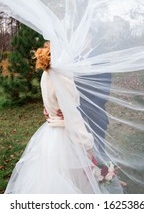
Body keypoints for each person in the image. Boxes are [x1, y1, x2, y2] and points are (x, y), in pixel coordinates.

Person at [4, 42, 123, 194]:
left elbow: (52, 102)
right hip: (67, 137)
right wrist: (87, 145)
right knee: (74, 182)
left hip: (50, 135)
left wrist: (51, 112)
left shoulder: (47, 73)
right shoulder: (63, 77)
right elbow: (72, 116)